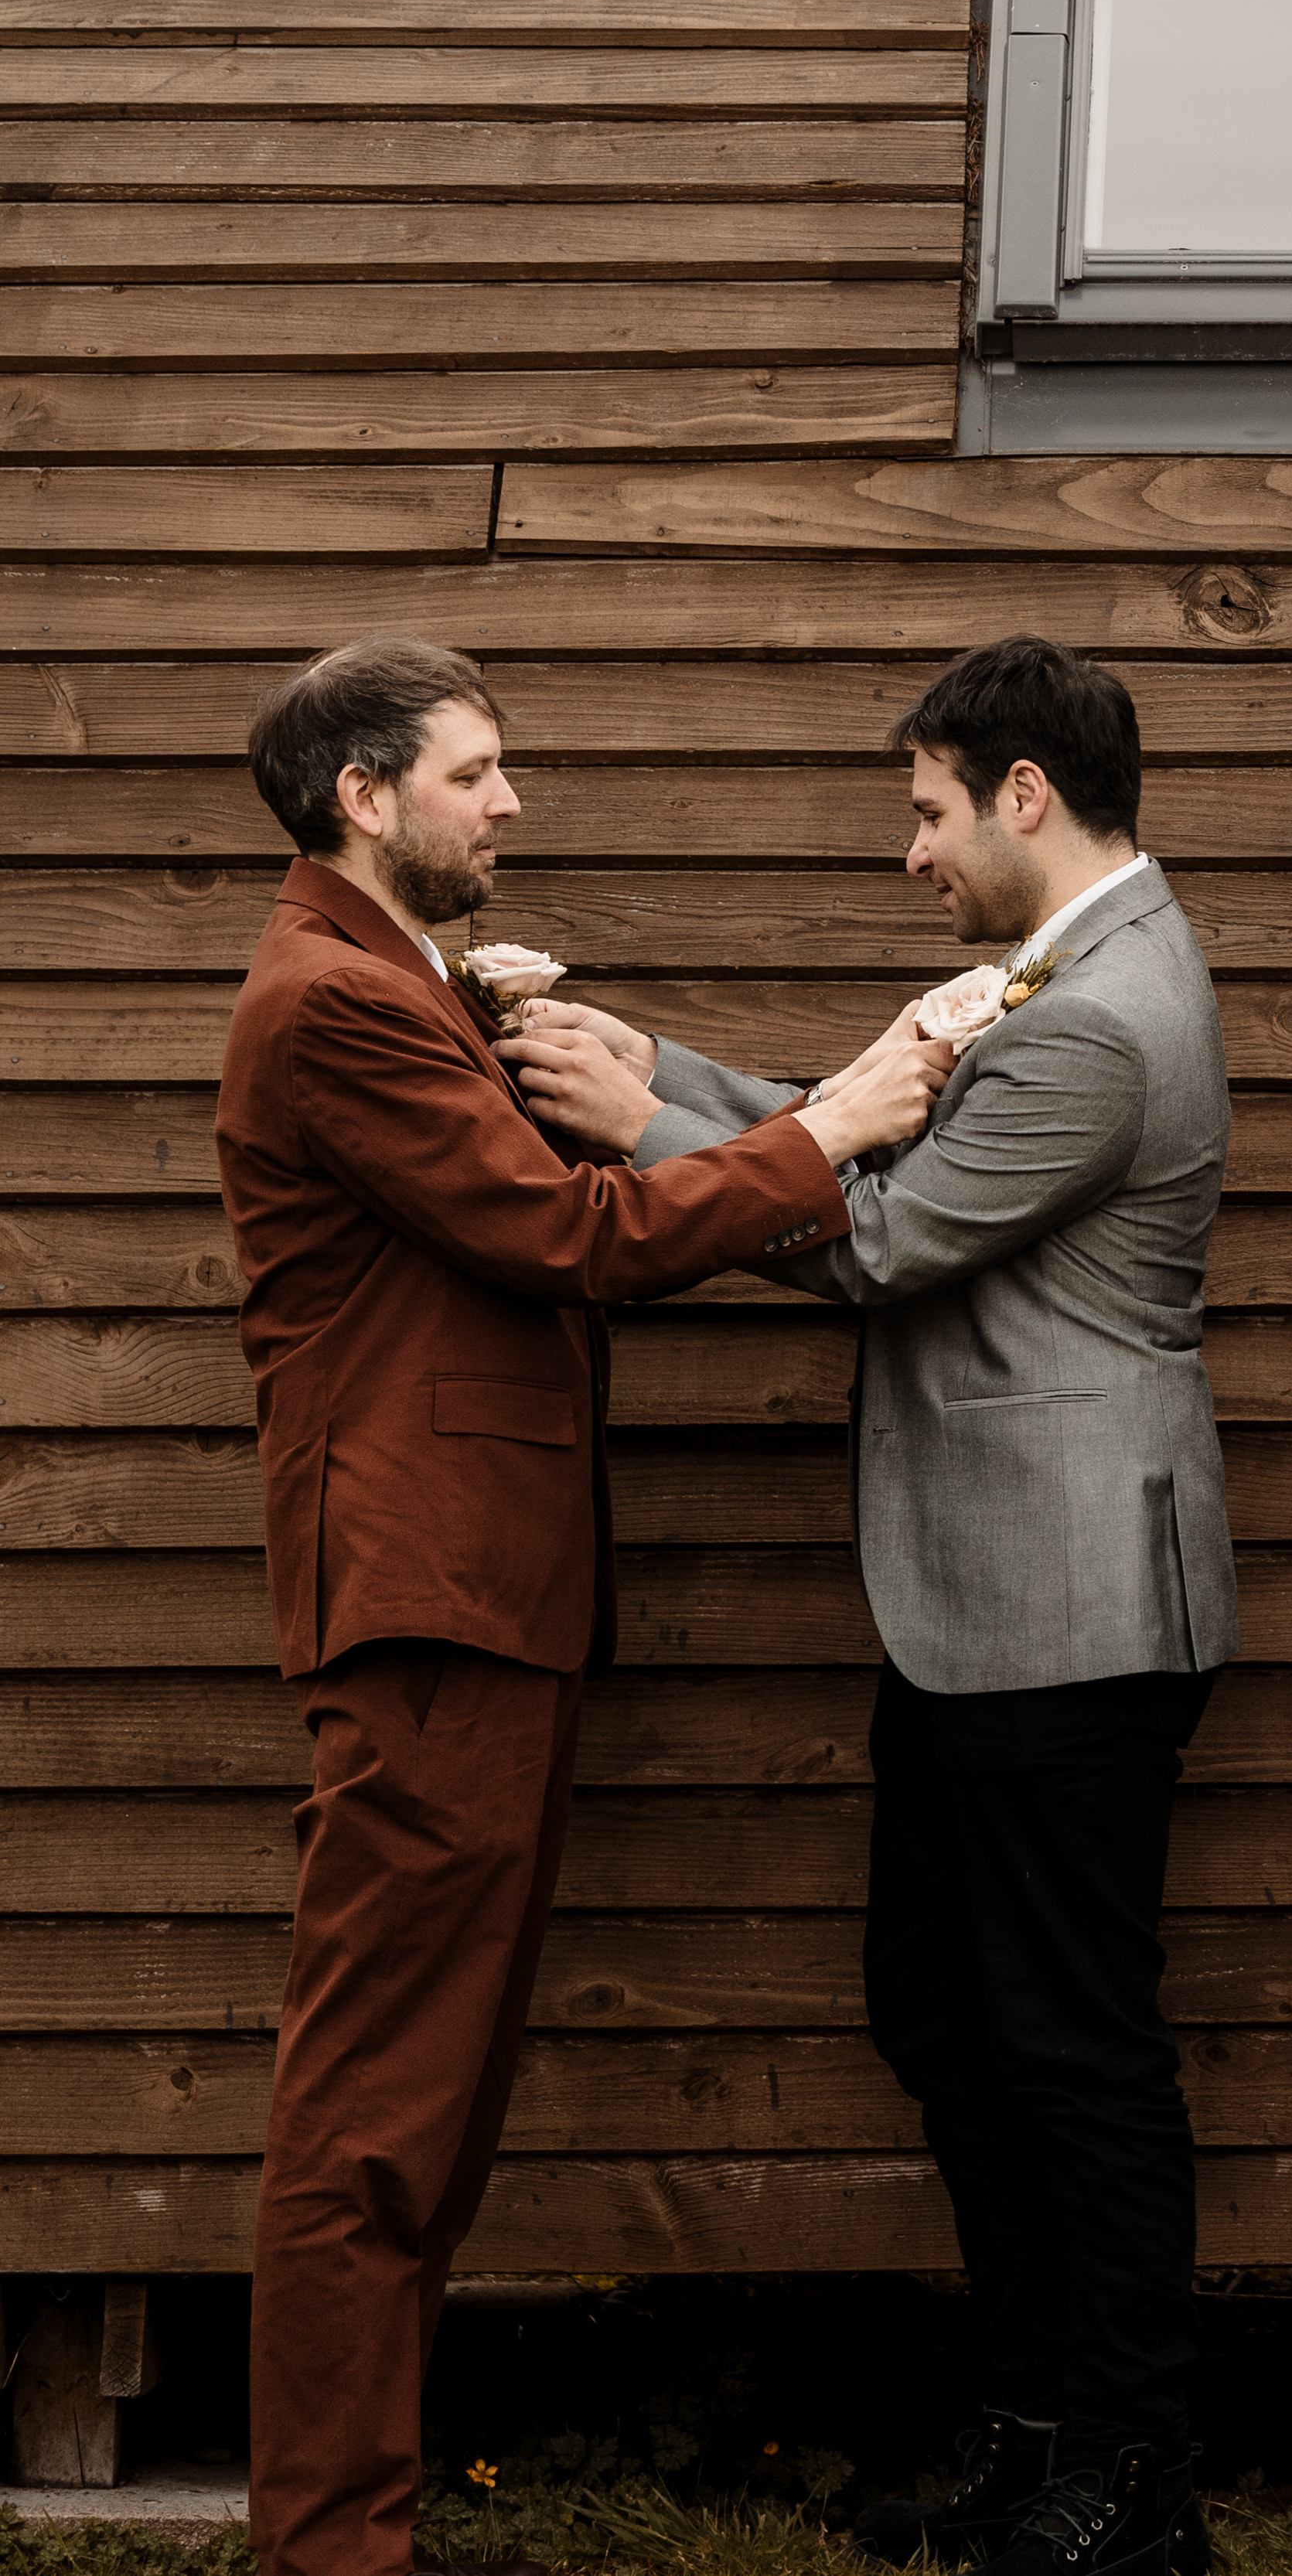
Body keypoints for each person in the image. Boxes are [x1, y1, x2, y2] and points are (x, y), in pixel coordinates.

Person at [513, 635, 1232, 2576]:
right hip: (983, 1599)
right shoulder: (1064, 969)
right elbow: (874, 1131)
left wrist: (643, 1121)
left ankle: (1133, 2475)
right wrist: (670, 1078)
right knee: (942, 2012)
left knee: (1074, 2047)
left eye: (926, 806)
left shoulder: (1098, 1012)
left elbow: (891, 1233)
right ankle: (1028, 2422)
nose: (911, 850)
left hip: (1071, 1597)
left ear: (1019, 792)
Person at [218, 636, 937, 2576]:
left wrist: (514, 1032)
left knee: (425, 2102)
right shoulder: (330, 1002)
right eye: (474, 769)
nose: (510, 800)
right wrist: (832, 1124)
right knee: (375, 2107)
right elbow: (568, 1240)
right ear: (363, 796)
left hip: (484, 1595)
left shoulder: (398, 984)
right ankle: (331, 2546)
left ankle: (355, 2521)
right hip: (429, 1596)